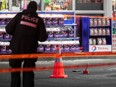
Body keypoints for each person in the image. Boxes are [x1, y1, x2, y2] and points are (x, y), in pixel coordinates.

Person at [5, 1, 48, 87]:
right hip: (30, 50)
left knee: (15, 72)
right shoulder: (39, 20)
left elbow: (8, 29)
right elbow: (42, 38)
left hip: (17, 48)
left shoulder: (19, 16)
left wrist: (18, 33)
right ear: (36, 9)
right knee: (28, 73)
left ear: (27, 7)